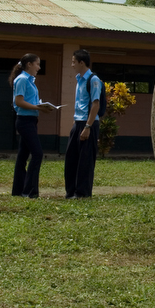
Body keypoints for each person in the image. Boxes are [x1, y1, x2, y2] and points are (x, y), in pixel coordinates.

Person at [9, 53, 54, 198]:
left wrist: (41, 107)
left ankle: (18, 190)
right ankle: (30, 191)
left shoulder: (30, 81)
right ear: (29, 64)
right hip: (25, 120)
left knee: (23, 156)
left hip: (31, 120)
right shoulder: (22, 79)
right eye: (37, 64)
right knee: (37, 154)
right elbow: (19, 102)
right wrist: (38, 108)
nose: (39, 67)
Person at [65, 49, 103, 199]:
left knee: (85, 161)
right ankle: (71, 191)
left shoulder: (93, 80)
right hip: (78, 122)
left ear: (82, 63)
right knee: (71, 158)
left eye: (74, 62)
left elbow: (95, 105)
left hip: (89, 124)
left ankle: (82, 193)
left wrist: (87, 126)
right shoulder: (78, 80)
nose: (72, 64)